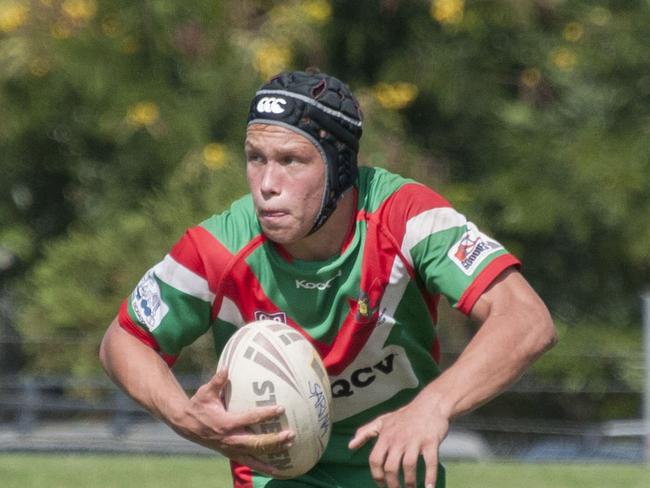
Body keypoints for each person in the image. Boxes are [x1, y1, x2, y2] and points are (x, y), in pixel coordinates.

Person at [99, 70, 557, 488]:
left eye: (291, 160)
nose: (266, 183)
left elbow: (526, 319)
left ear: (340, 167)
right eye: (255, 158)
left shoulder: (405, 218)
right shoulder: (218, 248)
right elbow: (124, 339)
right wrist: (183, 415)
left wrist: (432, 407)